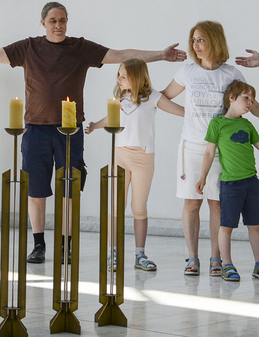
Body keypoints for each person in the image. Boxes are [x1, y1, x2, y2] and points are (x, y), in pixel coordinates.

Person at [0, 2, 185, 264]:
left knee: (69, 192)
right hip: (35, 130)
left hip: (70, 131)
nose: (58, 25)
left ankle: (66, 246)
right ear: (43, 23)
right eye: (53, 21)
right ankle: (39, 245)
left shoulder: (80, 48)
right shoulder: (28, 47)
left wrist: (161, 55)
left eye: (62, 20)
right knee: (36, 191)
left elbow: (120, 55)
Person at [160, 21, 244, 276]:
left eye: (201, 39)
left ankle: (216, 258)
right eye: (194, 40)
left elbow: (248, 105)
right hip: (192, 148)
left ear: (215, 41)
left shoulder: (231, 74)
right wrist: (186, 113)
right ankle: (192, 257)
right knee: (192, 203)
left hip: (222, 150)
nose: (196, 45)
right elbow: (162, 97)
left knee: (217, 204)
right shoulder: (187, 71)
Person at [85, 59, 184, 271]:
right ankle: (113, 252)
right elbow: (111, 118)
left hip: (143, 158)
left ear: (137, 77)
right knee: (116, 206)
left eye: (123, 76)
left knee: (139, 208)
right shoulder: (120, 98)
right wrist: (94, 126)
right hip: (120, 155)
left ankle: (140, 254)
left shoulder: (153, 97)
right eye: (118, 75)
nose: (119, 79)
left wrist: (200, 114)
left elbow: (180, 110)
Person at [196, 81, 259, 282]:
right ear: (231, 98)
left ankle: (258, 264)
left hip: (252, 182)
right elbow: (209, 152)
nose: (250, 103)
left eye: (252, 99)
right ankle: (227, 265)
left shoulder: (247, 125)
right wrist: (202, 177)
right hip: (231, 185)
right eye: (246, 98)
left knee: (255, 225)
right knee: (227, 226)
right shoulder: (218, 124)